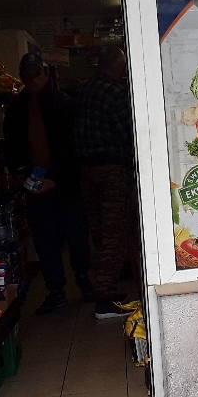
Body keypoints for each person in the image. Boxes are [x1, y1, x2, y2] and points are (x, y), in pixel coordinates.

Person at [4, 53, 94, 315]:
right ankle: (56, 291)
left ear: (46, 74)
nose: (33, 79)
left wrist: (58, 179)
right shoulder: (16, 109)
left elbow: (76, 146)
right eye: (27, 74)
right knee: (45, 242)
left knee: (77, 237)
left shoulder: (64, 103)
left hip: (66, 185)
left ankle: (84, 281)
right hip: (35, 187)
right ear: (22, 76)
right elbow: (12, 149)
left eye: (37, 73)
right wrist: (24, 177)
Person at [72, 45, 139, 320]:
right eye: (123, 66)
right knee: (114, 232)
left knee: (99, 230)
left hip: (86, 171)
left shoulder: (84, 89)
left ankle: (104, 287)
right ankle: (105, 298)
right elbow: (129, 135)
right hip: (112, 171)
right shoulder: (115, 93)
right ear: (117, 66)